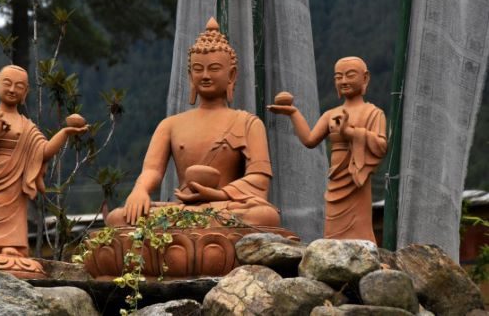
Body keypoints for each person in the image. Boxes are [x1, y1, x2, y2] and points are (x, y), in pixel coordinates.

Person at [106, 18, 280, 228]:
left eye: (214, 69)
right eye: (198, 69)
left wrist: (216, 194)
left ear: (231, 75)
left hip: (223, 207)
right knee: (118, 218)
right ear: (190, 76)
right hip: (182, 209)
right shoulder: (170, 125)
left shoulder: (248, 123)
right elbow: (152, 170)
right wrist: (139, 191)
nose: (205, 76)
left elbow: (259, 180)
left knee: (264, 216)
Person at [0, 65, 88, 257]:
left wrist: (65, 133)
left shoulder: (27, 126)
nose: (12, 89)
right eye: (7, 84)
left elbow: (44, 151)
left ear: (25, 92)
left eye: (19, 86)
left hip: (16, 180)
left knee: (15, 214)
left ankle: (13, 245)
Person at [267, 56, 387, 242]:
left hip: (357, 179)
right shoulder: (331, 115)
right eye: (339, 77)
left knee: (360, 228)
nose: (344, 81)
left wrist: (350, 132)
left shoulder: (374, 113)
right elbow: (309, 140)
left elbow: (380, 146)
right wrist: (293, 113)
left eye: (350, 75)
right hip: (336, 179)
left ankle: (365, 254)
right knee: (332, 229)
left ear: (365, 78)